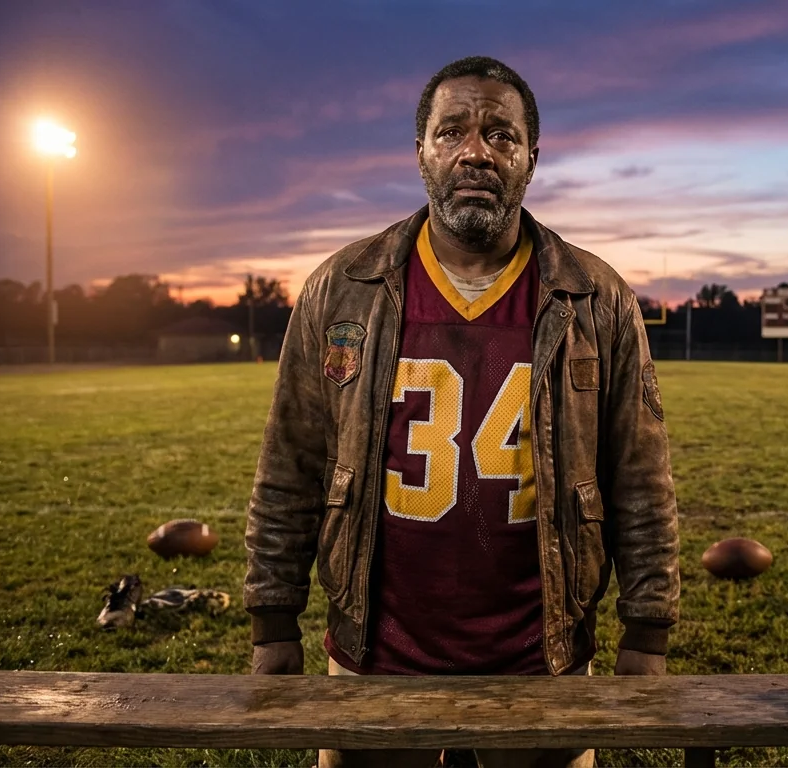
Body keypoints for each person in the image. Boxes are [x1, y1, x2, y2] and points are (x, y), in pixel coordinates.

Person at [243, 56, 681, 768]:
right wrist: (272, 623)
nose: (476, 151)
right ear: (420, 151)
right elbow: (289, 466)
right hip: (374, 651)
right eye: (452, 132)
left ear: (532, 159)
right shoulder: (343, 288)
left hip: (541, 655)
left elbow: (640, 479)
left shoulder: (595, 297)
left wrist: (648, 630)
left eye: (500, 135)